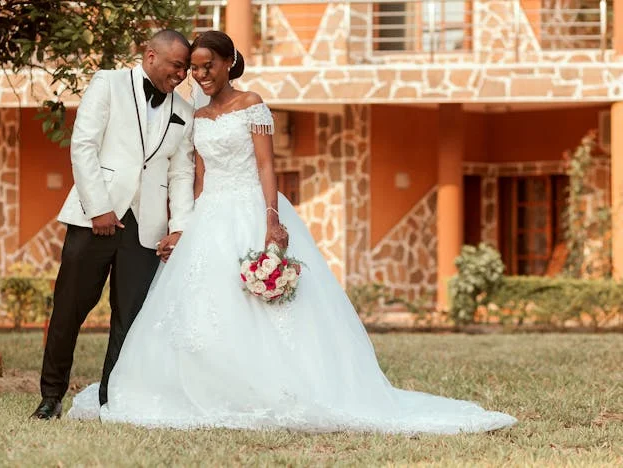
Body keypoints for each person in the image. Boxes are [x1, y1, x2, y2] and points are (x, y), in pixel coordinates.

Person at [68, 30, 517, 434]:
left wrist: (270, 218)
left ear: (229, 63)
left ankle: (274, 389)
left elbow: (267, 164)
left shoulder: (253, 105)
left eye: (208, 66)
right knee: (198, 307)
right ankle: (201, 387)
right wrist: (183, 228)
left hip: (252, 210)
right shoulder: (197, 117)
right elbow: (197, 177)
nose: (199, 75)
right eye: (194, 68)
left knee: (264, 307)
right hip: (209, 218)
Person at [30, 30, 195, 420]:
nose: (182, 75)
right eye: (176, 65)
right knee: (69, 309)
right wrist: (98, 208)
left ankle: (112, 400)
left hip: (147, 229)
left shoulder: (185, 113)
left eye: (185, 68)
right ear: (150, 55)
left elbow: (182, 173)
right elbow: (83, 144)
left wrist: (180, 226)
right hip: (94, 218)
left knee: (130, 319)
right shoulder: (108, 82)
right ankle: (50, 397)